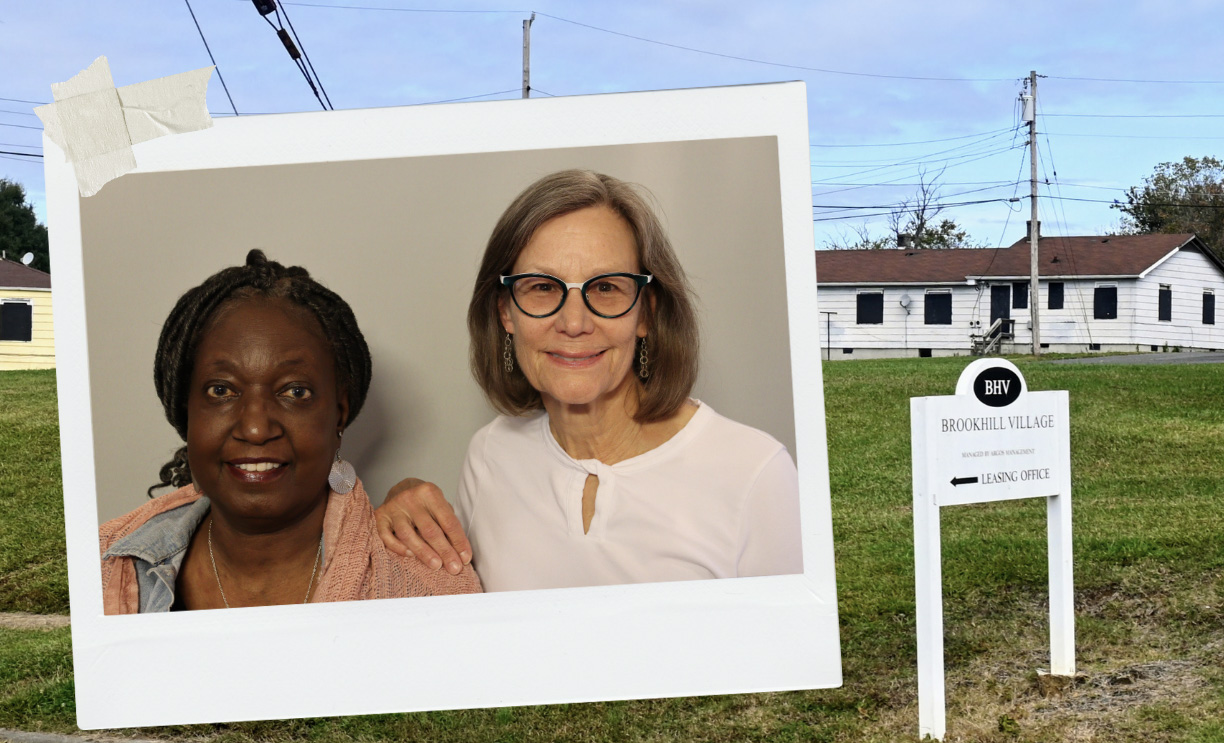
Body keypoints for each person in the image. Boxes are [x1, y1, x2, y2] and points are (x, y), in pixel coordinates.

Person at [377, 170, 802, 592]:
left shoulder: (756, 474)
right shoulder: (489, 455)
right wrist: (403, 502)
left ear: (646, 313)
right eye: (543, 286)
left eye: (605, 288)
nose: (575, 323)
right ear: (506, 312)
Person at [100, 250, 481, 613]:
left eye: (295, 392)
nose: (254, 428)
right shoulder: (102, 566)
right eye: (221, 390)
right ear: (186, 412)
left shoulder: (429, 588)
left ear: (338, 414)